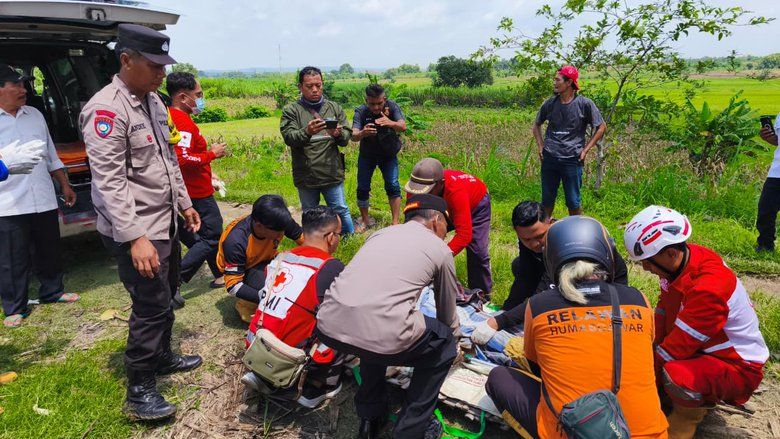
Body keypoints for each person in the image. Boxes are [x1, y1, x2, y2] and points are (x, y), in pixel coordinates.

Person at [80, 24, 202, 421]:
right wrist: (135, 238)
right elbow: (110, 182)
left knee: (167, 294)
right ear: (126, 60)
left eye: (164, 67)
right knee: (150, 306)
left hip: (164, 221)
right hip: (137, 229)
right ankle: (139, 391)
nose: (162, 75)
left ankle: (162, 356)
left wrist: (184, 205)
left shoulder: (153, 102)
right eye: (154, 66)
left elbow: (167, 161)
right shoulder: (106, 110)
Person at [482, 216, 668, 438]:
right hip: (650, 433)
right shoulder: (638, 299)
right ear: (607, 254)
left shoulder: (539, 305)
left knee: (498, 378)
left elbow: (536, 366)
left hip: (571, 431)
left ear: (552, 258)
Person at [316, 194, 460, 439]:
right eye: (447, 226)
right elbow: (447, 311)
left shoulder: (381, 233)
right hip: (380, 332)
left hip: (328, 324)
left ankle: (370, 416)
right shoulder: (440, 249)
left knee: (376, 330)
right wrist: (456, 341)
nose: (447, 233)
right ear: (436, 220)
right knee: (444, 344)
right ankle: (411, 429)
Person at [624, 205, 768, 439]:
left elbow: (675, 350)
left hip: (738, 367)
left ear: (671, 253)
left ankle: (686, 418)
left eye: (648, 261)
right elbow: (663, 312)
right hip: (705, 349)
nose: (645, 267)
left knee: (674, 374)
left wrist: (642, 384)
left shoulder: (708, 289)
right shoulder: (684, 261)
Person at [0, 63, 80, 329]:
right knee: (13, 257)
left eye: (24, 84)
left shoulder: (34, 114)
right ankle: (14, 307)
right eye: (17, 85)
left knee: (49, 248)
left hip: (42, 195)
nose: (24, 90)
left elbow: (51, 155)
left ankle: (52, 291)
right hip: (8, 201)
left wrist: (64, 185)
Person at [242, 206, 346, 408]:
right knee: (344, 325)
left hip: (256, 342)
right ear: (331, 237)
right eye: (340, 235)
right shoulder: (330, 266)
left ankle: (262, 375)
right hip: (288, 354)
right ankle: (318, 388)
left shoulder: (281, 258)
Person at [501, 200, 628, 311]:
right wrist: (506, 309)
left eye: (540, 236)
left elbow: (548, 292)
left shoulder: (563, 239)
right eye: (526, 240)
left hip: (605, 283)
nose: (534, 244)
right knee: (518, 265)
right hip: (559, 272)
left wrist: (511, 317)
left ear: (550, 223)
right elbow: (524, 275)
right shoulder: (529, 236)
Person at [166, 71, 227, 296]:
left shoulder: (177, 117)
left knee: (206, 235)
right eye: (198, 94)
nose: (201, 99)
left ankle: (219, 274)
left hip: (197, 185)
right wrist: (212, 154)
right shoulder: (181, 121)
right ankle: (175, 279)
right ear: (183, 97)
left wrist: (209, 174)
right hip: (196, 192)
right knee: (212, 235)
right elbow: (182, 159)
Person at [280, 66, 354, 235]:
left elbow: (346, 138)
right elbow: (289, 137)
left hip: (331, 172)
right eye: (309, 86)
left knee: (340, 209)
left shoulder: (334, 107)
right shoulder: (291, 111)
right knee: (309, 213)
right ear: (300, 87)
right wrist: (307, 131)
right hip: (306, 174)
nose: (315, 90)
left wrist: (337, 134)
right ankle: (312, 246)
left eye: (318, 85)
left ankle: (350, 240)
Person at [405, 157, 493, 295]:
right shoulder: (416, 188)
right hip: (442, 205)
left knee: (477, 252)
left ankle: (482, 294)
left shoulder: (456, 191)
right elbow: (412, 224)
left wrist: (438, 258)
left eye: (427, 190)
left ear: (441, 184)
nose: (421, 194)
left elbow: (464, 235)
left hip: (475, 205)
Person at [216, 194, 304, 324]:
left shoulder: (280, 222)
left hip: (268, 258)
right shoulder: (236, 242)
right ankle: (246, 304)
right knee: (276, 289)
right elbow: (233, 286)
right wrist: (265, 296)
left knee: (298, 278)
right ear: (258, 226)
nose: (282, 234)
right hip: (246, 268)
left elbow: (305, 240)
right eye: (278, 232)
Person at [532, 65, 606, 218]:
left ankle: (577, 234)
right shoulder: (550, 104)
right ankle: (542, 234)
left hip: (572, 159)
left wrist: (585, 150)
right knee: (547, 200)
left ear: (569, 83)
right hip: (550, 158)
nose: (554, 83)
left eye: (558, 80)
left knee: (573, 202)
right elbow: (536, 124)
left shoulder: (584, 104)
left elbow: (601, 127)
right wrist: (540, 146)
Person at [351, 83, 406, 229]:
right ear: (366, 100)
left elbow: (403, 126)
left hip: (388, 155)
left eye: (379, 103)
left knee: (393, 185)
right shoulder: (361, 112)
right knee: (362, 187)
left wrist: (390, 123)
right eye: (372, 104)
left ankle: (395, 222)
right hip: (367, 155)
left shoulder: (392, 107)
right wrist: (363, 133)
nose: (376, 107)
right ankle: (365, 220)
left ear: (384, 99)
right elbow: (353, 135)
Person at [757, 114, 780, 252]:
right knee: (766, 209)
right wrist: (768, 137)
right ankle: (765, 245)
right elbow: (777, 141)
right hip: (777, 170)